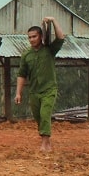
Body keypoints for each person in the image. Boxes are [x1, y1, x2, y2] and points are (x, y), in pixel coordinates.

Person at [15, 16, 67, 152]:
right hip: (34, 91)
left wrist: (54, 20)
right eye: (30, 37)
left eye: (34, 36)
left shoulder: (49, 50)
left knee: (45, 114)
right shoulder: (26, 55)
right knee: (38, 117)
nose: (32, 39)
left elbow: (61, 37)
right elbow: (21, 74)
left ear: (41, 36)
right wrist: (18, 93)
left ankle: (44, 143)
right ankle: (47, 141)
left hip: (49, 89)